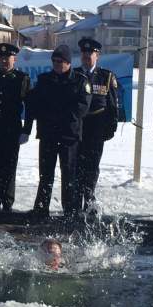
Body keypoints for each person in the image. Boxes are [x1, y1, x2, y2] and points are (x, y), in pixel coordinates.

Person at [27, 44, 91, 217]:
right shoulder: (44, 80)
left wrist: (57, 115)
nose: (57, 64)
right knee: (45, 174)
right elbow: (34, 104)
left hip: (68, 135)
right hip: (48, 134)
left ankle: (70, 210)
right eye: (54, 60)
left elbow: (82, 107)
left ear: (68, 62)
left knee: (69, 174)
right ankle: (41, 209)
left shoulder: (80, 81)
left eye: (60, 61)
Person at [0, 43, 31, 214]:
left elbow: (29, 106)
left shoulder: (21, 78)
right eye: (1, 57)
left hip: (12, 130)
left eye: (7, 58)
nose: (4, 60)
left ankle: (7, 203)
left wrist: (27, 130)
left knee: (9, 168)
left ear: (14, 59)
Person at [73, 37, 120, 213]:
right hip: (78, 127)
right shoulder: (74, 74)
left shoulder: (106, 76)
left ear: (97, 55)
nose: (86, 56)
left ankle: (90, 202)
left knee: (92, 167)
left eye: (90, 53)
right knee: (76, 166)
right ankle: (75, 204)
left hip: (96, 128)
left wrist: (111, 127)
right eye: (84, 53)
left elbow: (113, 104)